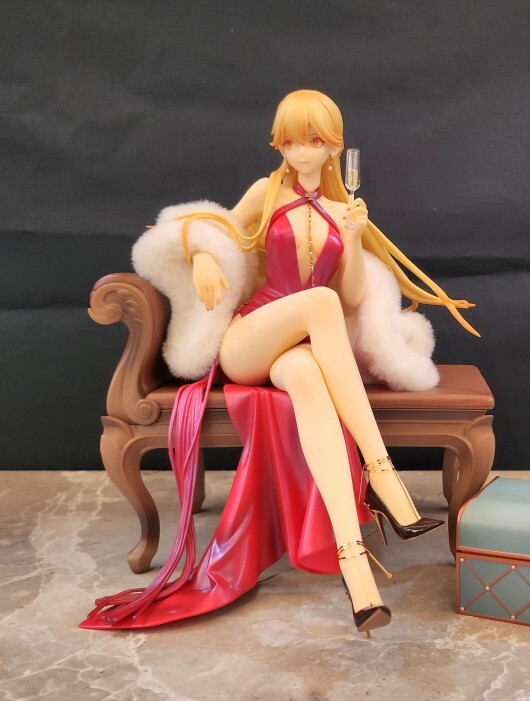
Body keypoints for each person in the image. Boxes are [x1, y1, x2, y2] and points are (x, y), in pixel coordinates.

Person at [82, 89, 477, 636]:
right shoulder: (265, 193)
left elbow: (353, 294)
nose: (299, 151)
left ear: (334, 147)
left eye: (312, 140)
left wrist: (353, 237)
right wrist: (203, 256)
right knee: (320, 302)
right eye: (288, 141)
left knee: (310, 374)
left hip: (300, 350)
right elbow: (194, 228)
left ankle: (355, 568)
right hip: (250, 339)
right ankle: (382, 473)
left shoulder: (342, 210)